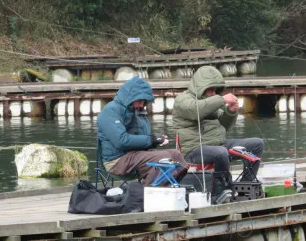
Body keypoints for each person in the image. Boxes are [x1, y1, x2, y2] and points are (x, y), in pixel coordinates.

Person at [173, 66, 264, 203]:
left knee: (256, 144)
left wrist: (231, 112)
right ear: (200, 86)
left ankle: (246, 185)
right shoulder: (182, 100)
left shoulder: (213, 101)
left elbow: (224, 125)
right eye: (210, 89)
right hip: (194, 149)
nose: (213, 92)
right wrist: (222, 100)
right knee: (220, 153)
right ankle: (219, 192)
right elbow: (196, 110)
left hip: (219, 145)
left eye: (215, 89)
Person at [97, 76, 188, 186]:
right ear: (129, 98)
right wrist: (151, 139)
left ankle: (172, 189)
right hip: (117, 161)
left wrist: (156, 140)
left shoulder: (138, 112)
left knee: (176, 155)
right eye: (139, 101)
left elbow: (142, 141)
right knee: (163, 159)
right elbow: (121, 141)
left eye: (144, 101)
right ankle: (146, 194)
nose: (141, 105)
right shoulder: (110, 111)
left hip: (136, 156)